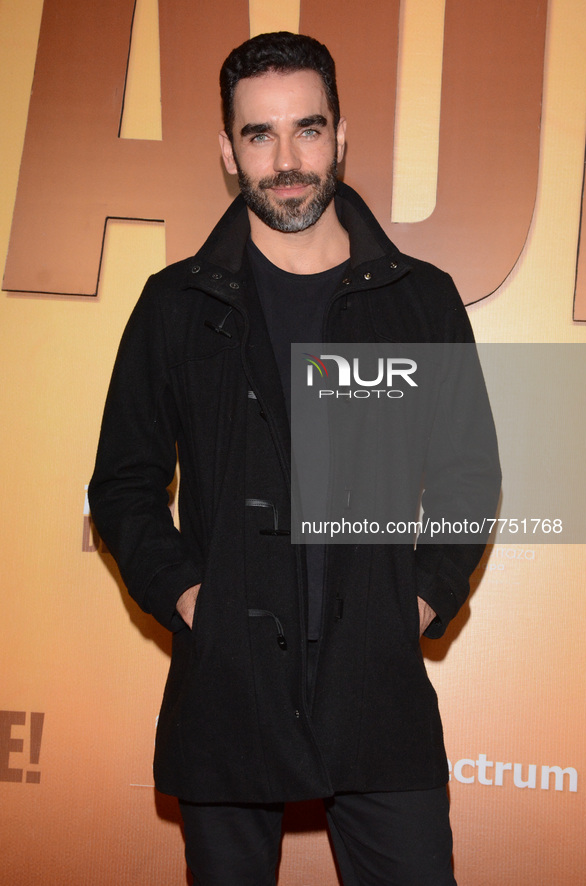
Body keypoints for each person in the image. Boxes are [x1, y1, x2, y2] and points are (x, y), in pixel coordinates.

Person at [89, 31, 501, 886]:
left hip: (377, 690)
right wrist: (190, 596)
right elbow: (123, 485)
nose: (286, 160)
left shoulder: (417, 298)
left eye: (307, 130)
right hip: (228, 689)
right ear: (226, 149)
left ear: (341, 137)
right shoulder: (174, 306)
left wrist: (418, 598)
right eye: (258, 134)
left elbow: (467, 472)